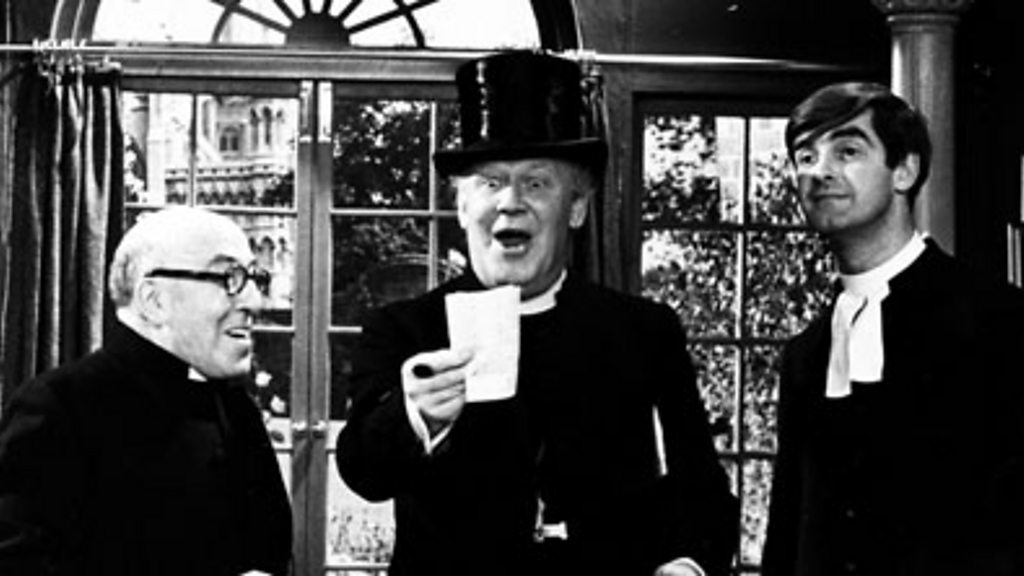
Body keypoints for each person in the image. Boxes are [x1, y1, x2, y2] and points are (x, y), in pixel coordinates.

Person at [335, 50, 738, 576]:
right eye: (490, 183)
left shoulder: (643, 331)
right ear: (462, 207)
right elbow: (363, 471)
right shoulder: (403, 329)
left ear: (576, 208)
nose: (511, 202)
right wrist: (414, 418)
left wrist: (686, 565)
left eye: (536, 183)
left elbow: (702, 489)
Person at [762, 82, 1024, 575]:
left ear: (904, 170)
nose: (820, 171)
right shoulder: (805, 355)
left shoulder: (1001, 320)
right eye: (805, 156)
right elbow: (787, 536)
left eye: (847, 151)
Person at [0, 206, 293, 575]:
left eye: (253, 278)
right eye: (228, 278)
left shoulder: (235, 408)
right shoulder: (58, 407)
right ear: (154, 301)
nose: (254, 302)